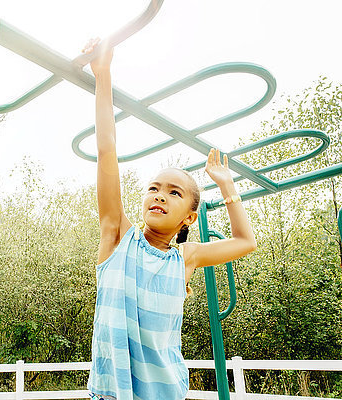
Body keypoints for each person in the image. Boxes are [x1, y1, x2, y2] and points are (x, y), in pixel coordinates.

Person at [83, 38, 257, 400]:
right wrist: (103, 74)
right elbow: (106, 148)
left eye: (174, 192)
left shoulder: (186, 258)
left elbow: (246, 242)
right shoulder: (117, 234)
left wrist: (227, 186)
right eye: (154, 188)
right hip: (110, 393)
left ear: (189, 217)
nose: (160, 194)